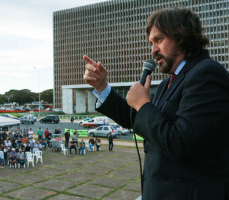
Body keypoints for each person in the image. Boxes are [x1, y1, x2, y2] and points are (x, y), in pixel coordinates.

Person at [83, 8, 229, 200]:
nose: (153, 50)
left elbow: (181, 143)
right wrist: (102, 87)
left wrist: (143, 104)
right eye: (151, 43)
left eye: (159, 40)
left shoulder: (207, 74)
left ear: (181, 37)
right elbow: (138, 120)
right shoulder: (168, 83)